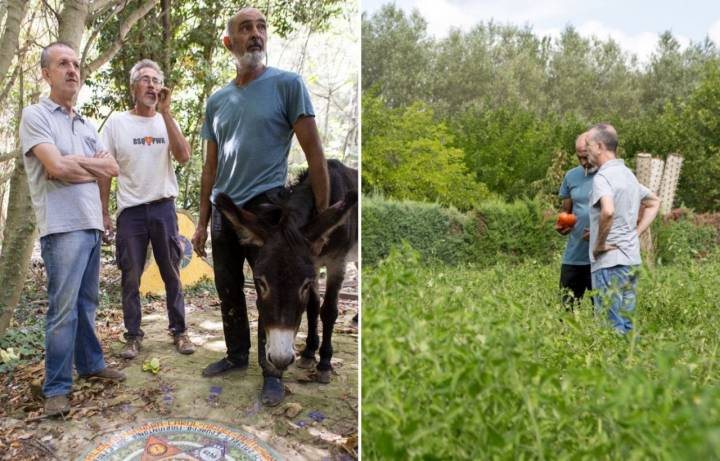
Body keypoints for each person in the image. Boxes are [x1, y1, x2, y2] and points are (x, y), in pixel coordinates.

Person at [191, 7, 329, 406]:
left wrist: (319, 222)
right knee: (228, 287)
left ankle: (272, 370)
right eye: (245, 28)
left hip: (269, 209)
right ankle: (236, 355)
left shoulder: (288, 85)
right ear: (228, 42)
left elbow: (315, 154)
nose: (255, 34)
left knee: (274, 291)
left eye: (260, 27)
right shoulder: (217, 101)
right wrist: (202, 223)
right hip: (225, 210)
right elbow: (209, 168)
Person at [19, 42, 126, 417]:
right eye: (63, 64)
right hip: (62, 228)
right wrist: (85, 166)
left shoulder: (85, 124)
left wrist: (75, 165)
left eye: (77, 64)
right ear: (46, 73)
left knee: (87, 303)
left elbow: (111, 169)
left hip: (91, 223)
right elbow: (54, 168)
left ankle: (92, 364)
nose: (73, 70)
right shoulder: (36, 116)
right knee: (62, 310)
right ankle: (57, 389)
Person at [100, 59, 195, 359]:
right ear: (133, 88)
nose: (152, 84)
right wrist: (104, 211)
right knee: (130, 275)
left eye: (156, 79)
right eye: (145, 79)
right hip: (131, 212)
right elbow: (103, 170)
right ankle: (133, 336)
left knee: (172, 272)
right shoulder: (117, 123)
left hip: (163, 208)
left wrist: (166, 114)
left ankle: (179, 331)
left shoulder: (167, 120)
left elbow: (183, 156)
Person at [586, 123, 660, 333]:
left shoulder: (602, 177)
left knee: (611, 327)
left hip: (609, 263)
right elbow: (654, 202)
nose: (587, 149)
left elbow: (608, 211)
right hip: (630, 260)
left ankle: (611, 366)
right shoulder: (628, 175)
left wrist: (599, 244)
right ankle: (629, 364)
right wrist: (634, 234)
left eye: (589, 144)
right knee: (627, 324)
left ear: (599, 146)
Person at [556, 132, 596, 307]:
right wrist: (563, 225)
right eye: (579, 157)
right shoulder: (571, 176)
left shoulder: (610, 176)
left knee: (603, 315)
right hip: (574, 257)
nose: (583, 162)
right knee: (566, 311)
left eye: (586, 157)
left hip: (600, 259)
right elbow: (567, 212)